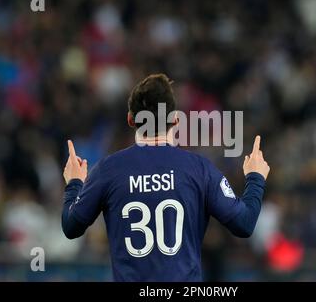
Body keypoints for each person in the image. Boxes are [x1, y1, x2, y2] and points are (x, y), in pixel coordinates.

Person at [61, 74, 270, 281]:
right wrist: (255, 178)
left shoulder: (107, 169)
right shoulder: (199, 169)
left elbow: (71, 226)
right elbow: (244, 223)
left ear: (131, 119)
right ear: (176, 120)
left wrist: (74, 183)